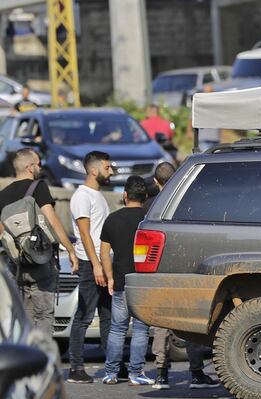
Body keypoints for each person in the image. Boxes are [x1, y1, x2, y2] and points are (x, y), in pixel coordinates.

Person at [144, 162, 220, 389]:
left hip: (159, 272)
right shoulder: (192, 205)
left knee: (160, 327)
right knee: (191, 326)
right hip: (187, 271)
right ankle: (196, 373)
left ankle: (161, 373)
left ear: (156, 182)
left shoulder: (151, 207)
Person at [0, 149, 79, 333]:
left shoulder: (3, 195)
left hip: (16, 264)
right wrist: (70, 250)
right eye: (38, 164)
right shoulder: (38, 187)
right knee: (43, 313)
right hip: (40, 261)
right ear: (30, 167)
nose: (40, 168)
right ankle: (43, 355)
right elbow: (52, 221)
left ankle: (27, 356)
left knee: (23, 315)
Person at [99, 176, 155, 385]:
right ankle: (136, 373)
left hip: (121, 281)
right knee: (141, 329)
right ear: (146, 197)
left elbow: (105, 253)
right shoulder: (150, 219)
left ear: (125, 195)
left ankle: (111, 373)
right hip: (143, 282)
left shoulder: (112, 219)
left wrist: (110, 277)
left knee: (117, 328)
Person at [67, 151, 113, 384]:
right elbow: (84, 234)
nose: (111, 171)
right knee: (84, 316)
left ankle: (112, 365)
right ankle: (75, 367)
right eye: (107, 167)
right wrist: (95, 265)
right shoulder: (82, 196)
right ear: (94, 170)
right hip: (90, 263)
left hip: (102, 262)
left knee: (107, 316)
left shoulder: (97, 195)